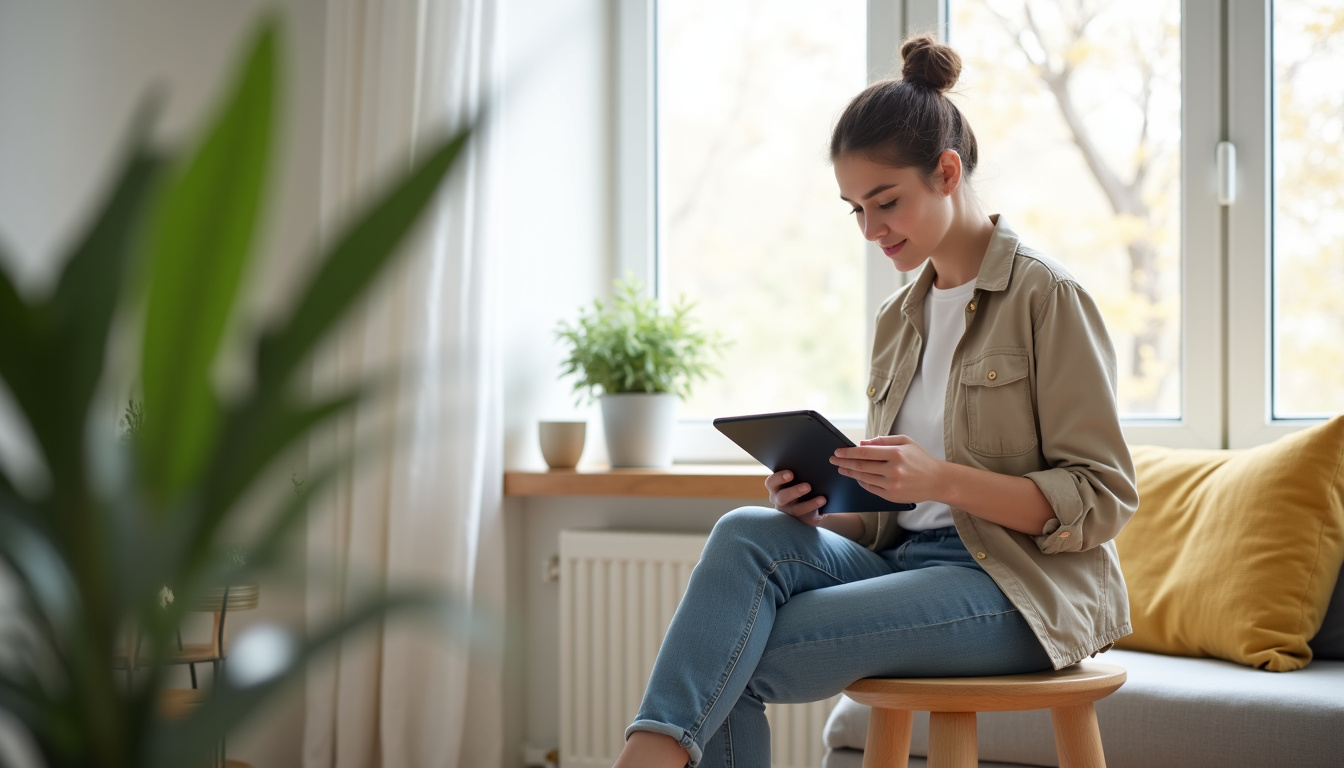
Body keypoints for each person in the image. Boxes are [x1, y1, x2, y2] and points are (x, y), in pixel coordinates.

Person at [612, 34, 1138, 768]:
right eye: (854, 209)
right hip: (907, 563)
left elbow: (1103, 497)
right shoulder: (900, 318)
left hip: (1019, 588)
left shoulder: (1046, 298)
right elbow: (894, 513)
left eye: (885, 201)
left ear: (947, 172)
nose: (869, 229)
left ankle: (647, 758)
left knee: (735, 657)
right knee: (746, 531)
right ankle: (654, 753)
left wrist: (943, 480)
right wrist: (829, 506)